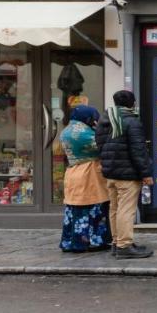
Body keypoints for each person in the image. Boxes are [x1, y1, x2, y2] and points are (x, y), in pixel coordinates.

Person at [96, 89, 154, 259]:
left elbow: (99, 145)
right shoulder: (131, 120)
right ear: (132, 103)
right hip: (128, 174)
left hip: (111, 173)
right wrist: (146, 173)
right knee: (126, 210)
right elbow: (138, 149)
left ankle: (116, 242)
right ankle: (124, 246)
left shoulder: (105, 120)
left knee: (114, 209)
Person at [59, 105, 112, 253]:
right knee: (93, 207)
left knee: (74, 209)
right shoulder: (83, 133)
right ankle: (92, 241)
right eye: (94, 118)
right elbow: (102, 146)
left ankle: (69, 241)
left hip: (72, 171)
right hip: (88, 173)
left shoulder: (66, 131)